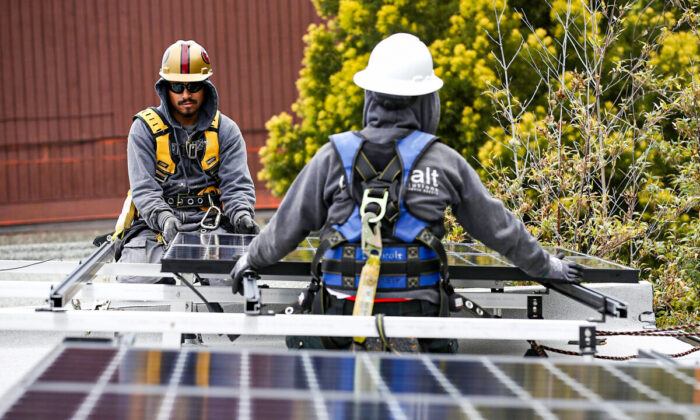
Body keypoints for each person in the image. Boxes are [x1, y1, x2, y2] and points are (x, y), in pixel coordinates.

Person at [231, 33, 582, 352]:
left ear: (370, 96)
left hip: (340, 316)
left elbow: (286, 226)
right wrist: (546, 265)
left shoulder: (332, 156)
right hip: (419, 318)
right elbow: (498, 227)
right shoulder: (444, 162)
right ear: (426, 100)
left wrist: (251, 259)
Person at [117, 40, 259, 283]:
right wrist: (164, 219)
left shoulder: (226, 130)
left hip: (211, 226)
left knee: (234, 282)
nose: (185, 94)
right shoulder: (144, 130)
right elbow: (144, 190)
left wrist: (242, 217)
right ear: (165, 88)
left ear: (206, 87)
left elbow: (237, 187)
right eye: (177, 87)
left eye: (193, 86)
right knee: (134, 282)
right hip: (156, 230)